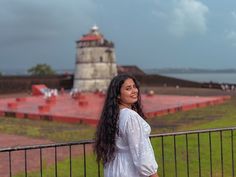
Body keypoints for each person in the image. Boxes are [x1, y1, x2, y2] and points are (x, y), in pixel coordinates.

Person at [94, 74, 159, 177]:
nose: (134, 91)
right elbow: (141, 154)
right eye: (128, 88)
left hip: (114, 169)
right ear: (118, 95)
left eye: (134, 86)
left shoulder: (113, 116)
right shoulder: (130, 116)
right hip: (129, 169)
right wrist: (153, 174)